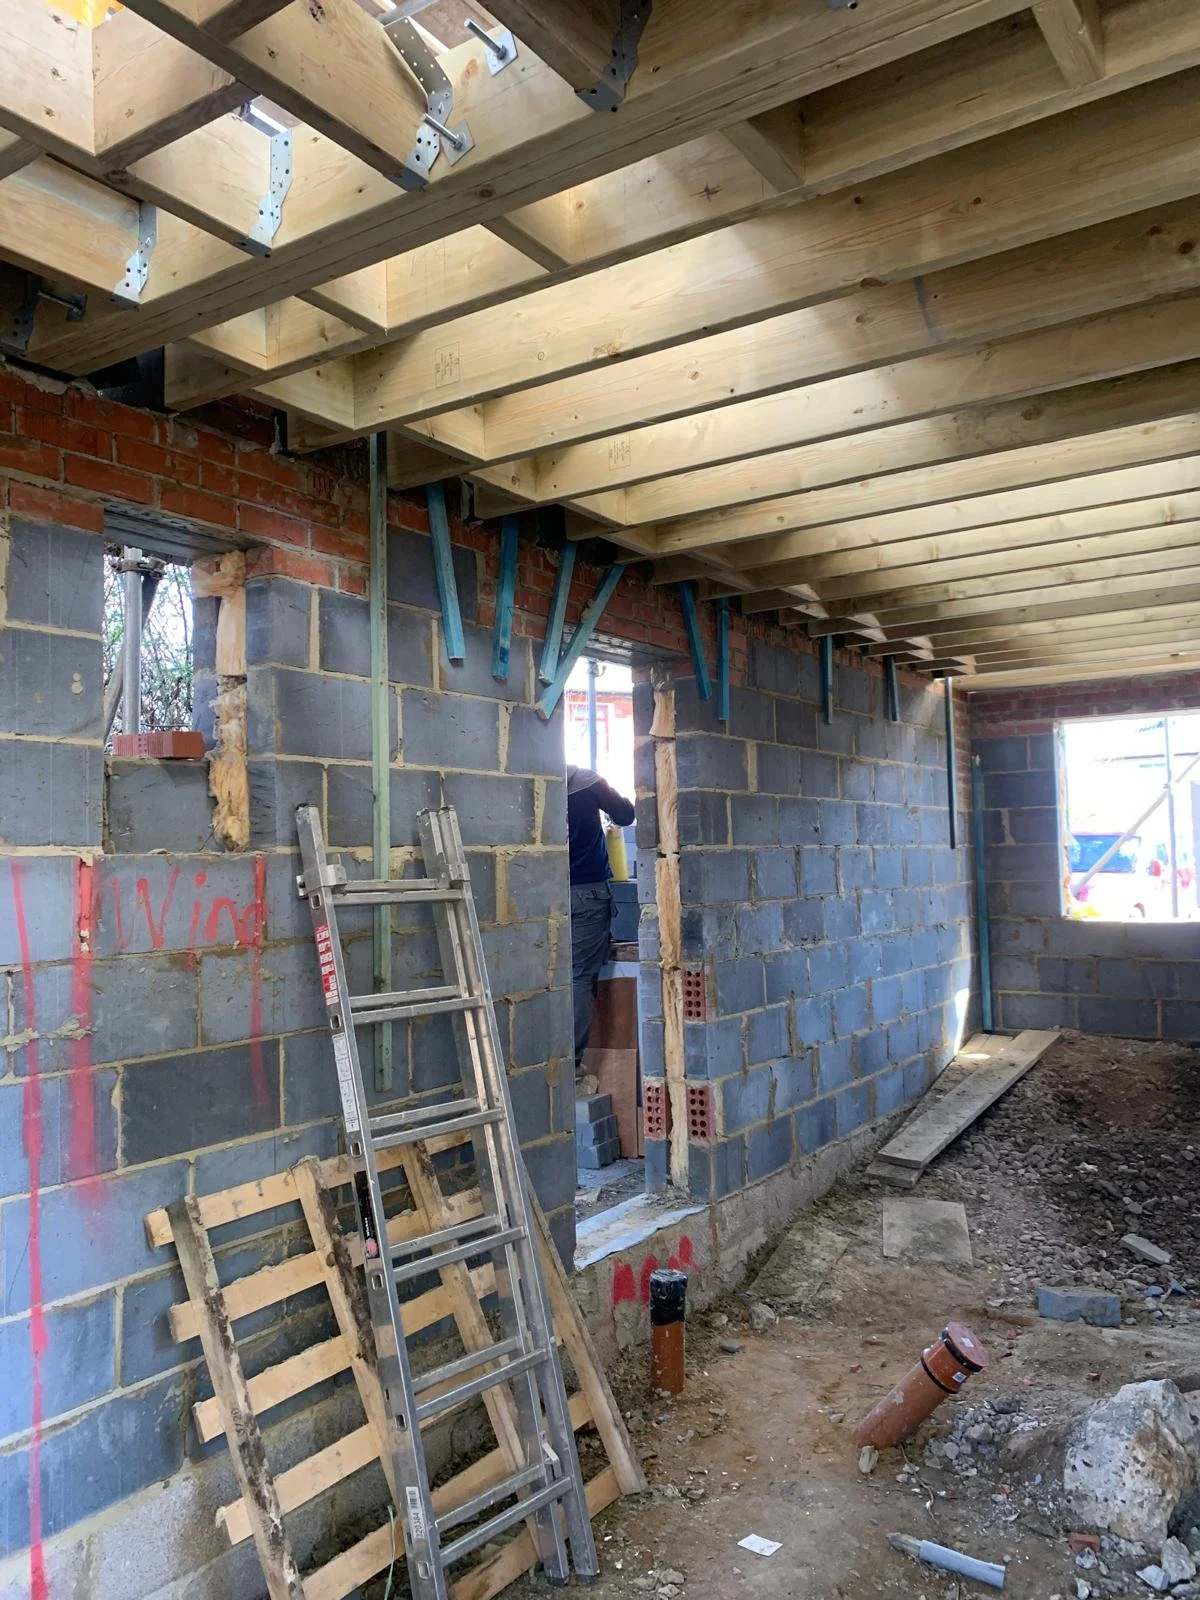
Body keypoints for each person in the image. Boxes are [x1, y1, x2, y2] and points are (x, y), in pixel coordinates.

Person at [566, 764, 635, 1074]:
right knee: (580, 975)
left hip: (546, 894)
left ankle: (548, 1062)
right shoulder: (587, 781)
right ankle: (570, 1063)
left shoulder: (534, 779)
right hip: (587, 893)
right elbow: (625, 815)